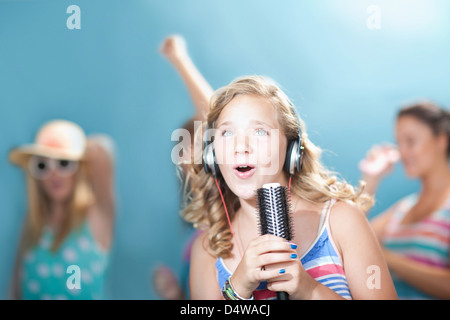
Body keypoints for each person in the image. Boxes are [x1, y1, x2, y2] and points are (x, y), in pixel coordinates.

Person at [182, 75, 398, 300]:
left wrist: (310, 290)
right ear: (212, 156)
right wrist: (237, 289)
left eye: (259, 132)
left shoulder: (341, 220)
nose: (241, 147)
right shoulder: (208, 250)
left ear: (292, 149)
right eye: (227, 133)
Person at [9, 120, 115, 300]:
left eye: (64, 163)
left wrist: (79, 147)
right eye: (42, 165)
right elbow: (14, 292)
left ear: (80, 168)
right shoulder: (31, 225)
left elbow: (103, 152)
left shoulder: (96, 217)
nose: (54, 174)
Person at [359, 101, 450, 299]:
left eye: (410, 141)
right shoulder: (403, 208)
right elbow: (354, 241)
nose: (403, 152)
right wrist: (371, 179)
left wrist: (387, 258)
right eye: (399, 143)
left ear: (441, 141)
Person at [152, 35, 212, 300]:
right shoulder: (193, 227)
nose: (187, 154)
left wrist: (180, 60)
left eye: (199, 143)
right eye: (183, 148)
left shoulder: (238, 209)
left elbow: (216, 117)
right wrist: (175, 293)